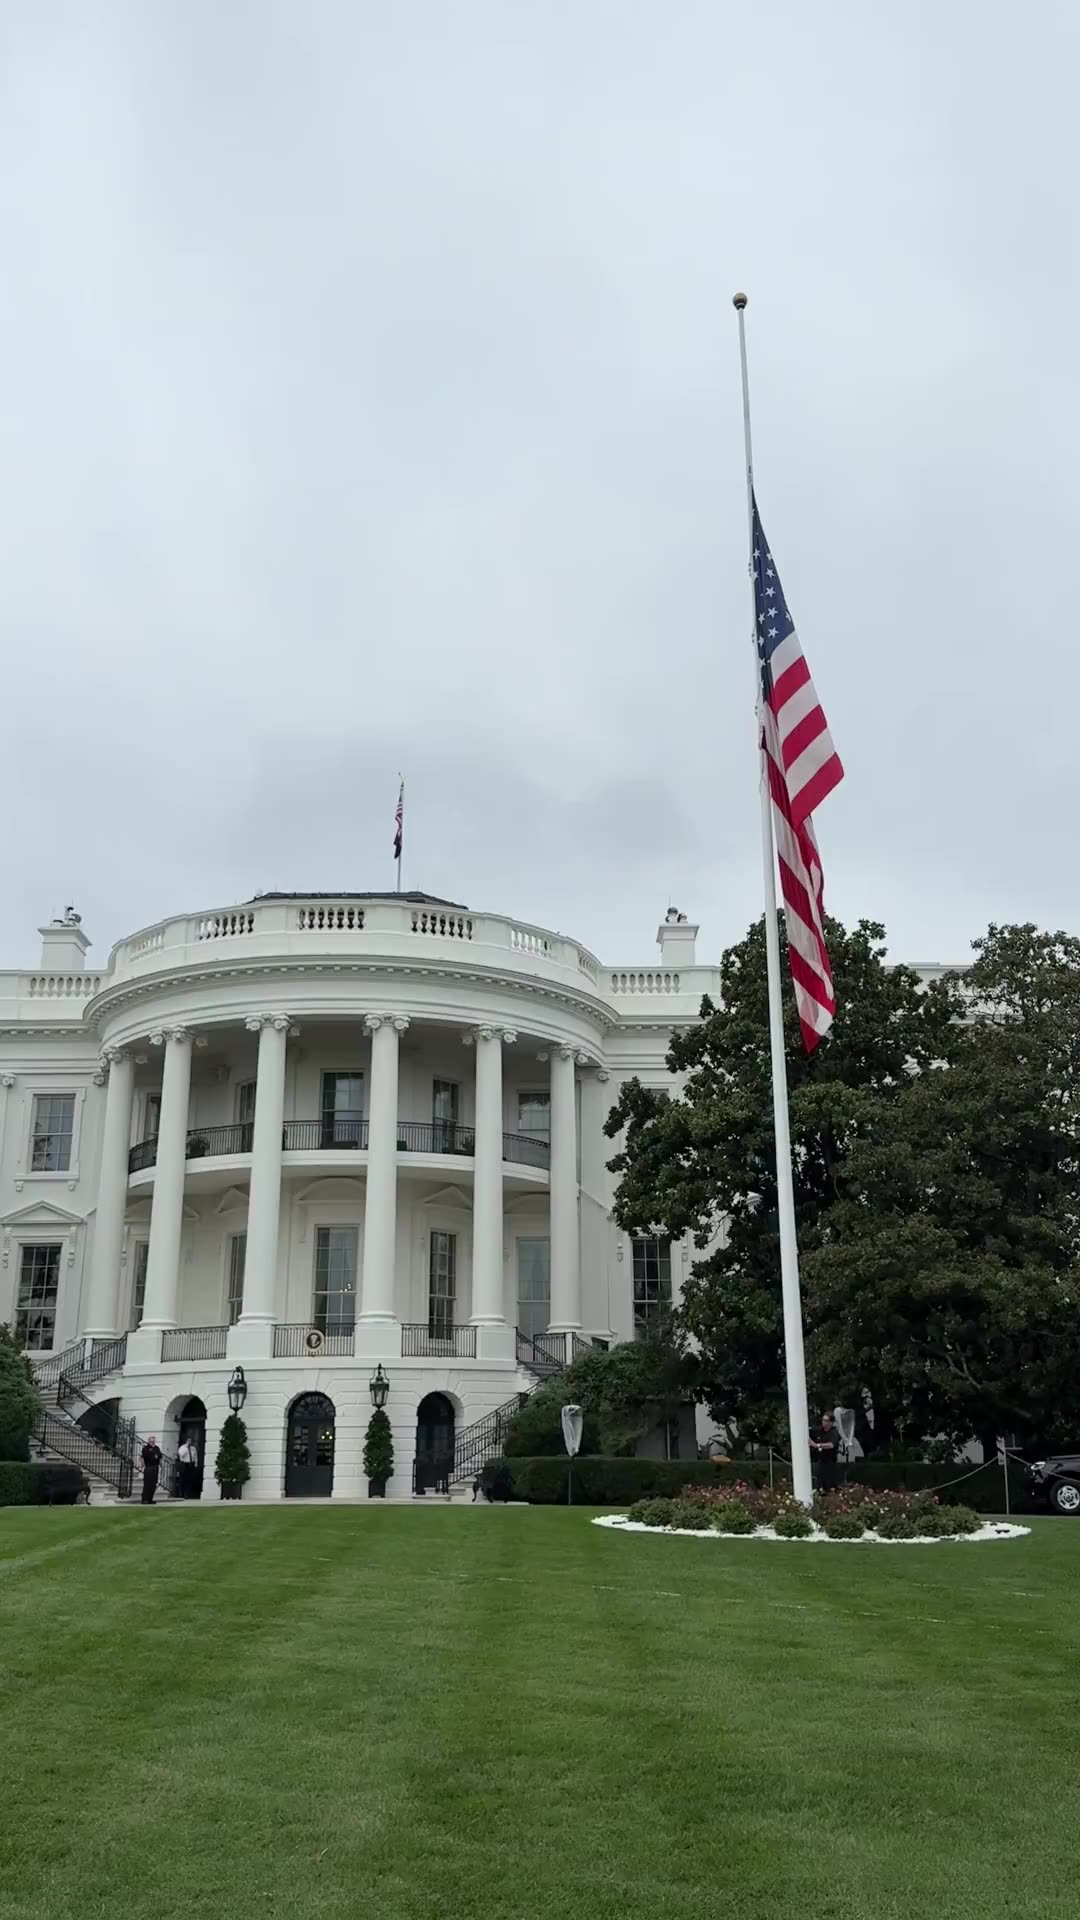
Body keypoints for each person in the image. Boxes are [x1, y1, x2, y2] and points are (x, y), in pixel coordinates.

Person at [810, 1411, 841, 1492]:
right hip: (820, 1462)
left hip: (830, 1464)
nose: (823, 1422)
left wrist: (817, 1445)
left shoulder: (834, 1433)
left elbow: (831, 1445)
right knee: (819, 1485)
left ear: (831, 1422)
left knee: (829, 1486)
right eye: (823, 1420)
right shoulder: (820, 1431)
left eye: (826, 1420)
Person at [140, 1436, 163, 1505]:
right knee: (147, 1484)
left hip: (155, 1467)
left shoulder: (157, 1448)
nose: (152, 1442)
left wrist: (161, 1465)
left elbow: (160, 1458)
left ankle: (150, 1499)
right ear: (148, 1441)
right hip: (148, 1467)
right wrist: (143, 1466)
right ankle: (145, 1499)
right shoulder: (145, 1448)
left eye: (153, 1441)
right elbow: (142, 1458)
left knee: (153, 1485)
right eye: (151, 1441)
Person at [178, 1435, 199, 1500]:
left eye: (190, 1440)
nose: (190, 1442)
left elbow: (195, 1456)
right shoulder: (182, 1447)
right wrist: (186, 1448)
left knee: (189, 1480)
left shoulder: (193, 1448)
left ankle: (187, 1494)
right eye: (188, 1440)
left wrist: (196, 1463)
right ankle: (181, 1494)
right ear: (186, 1441)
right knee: (182, 1479)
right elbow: (181, 1455)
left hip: (191, 1464)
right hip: (184, 1464)